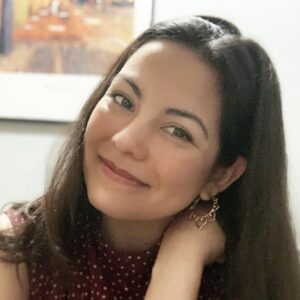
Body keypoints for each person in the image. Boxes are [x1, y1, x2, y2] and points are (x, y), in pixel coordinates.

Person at [0, 15, 299, 299]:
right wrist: (181, 259)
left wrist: (181, 258)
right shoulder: (16, 249)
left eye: (177, 131)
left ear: (220, 175)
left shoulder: (256, 280)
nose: (125, 140)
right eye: (123, 99)